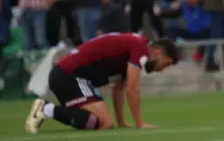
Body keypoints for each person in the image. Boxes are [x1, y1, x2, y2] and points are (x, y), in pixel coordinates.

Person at [24, 33, 178, 134]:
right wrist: (140, 123)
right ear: (158, 53)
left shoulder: (136, 45)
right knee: (105, 122)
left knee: (96, 121)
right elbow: (132, 87)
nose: (162, 69)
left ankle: (47, 110)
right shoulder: (140, 48)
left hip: (69, 76)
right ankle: (46, 109)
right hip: (69, 76)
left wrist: (122, 122)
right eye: (165, 64)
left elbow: (119, 88)